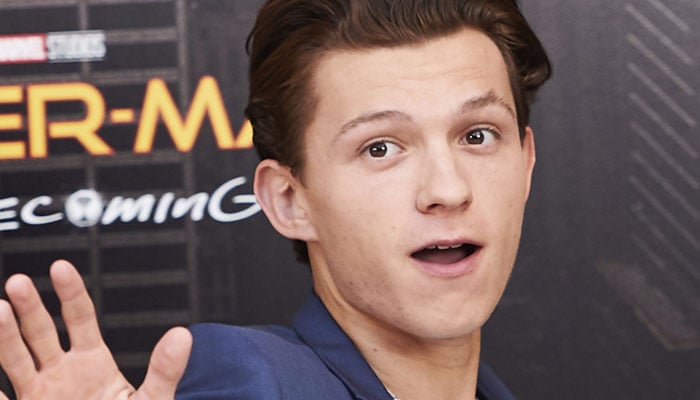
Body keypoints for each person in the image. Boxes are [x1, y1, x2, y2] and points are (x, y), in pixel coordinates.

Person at [0, 0, 551, 399]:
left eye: (478, 135)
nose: (448, 190)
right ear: (289, 200)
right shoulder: (256, 381)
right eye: (380, 148)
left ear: (525, 162)